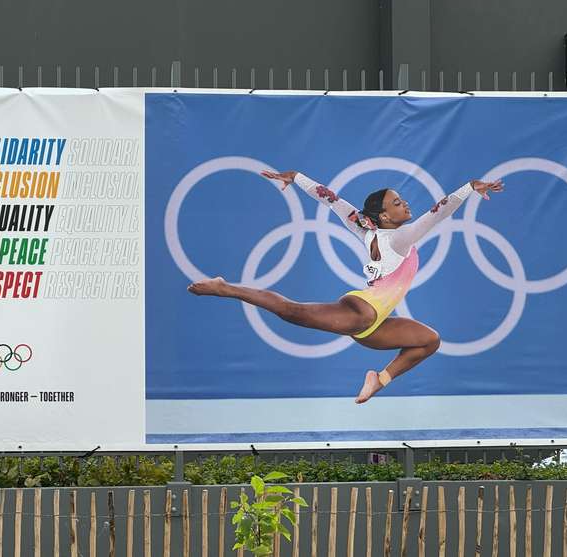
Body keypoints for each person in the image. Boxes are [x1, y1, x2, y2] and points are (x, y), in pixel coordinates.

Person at [188, 170, 504, 404]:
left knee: (429, 341)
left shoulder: (368, 230)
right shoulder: (399, 238)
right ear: (384, 215)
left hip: (374, 326)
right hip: (360, 312)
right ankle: (225, 288)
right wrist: (469, 189)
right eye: (397, 203)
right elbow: (439, 212)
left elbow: (331, 200)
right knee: (291, 311)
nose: (405, 204)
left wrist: (297, 178)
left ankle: (378, 380)